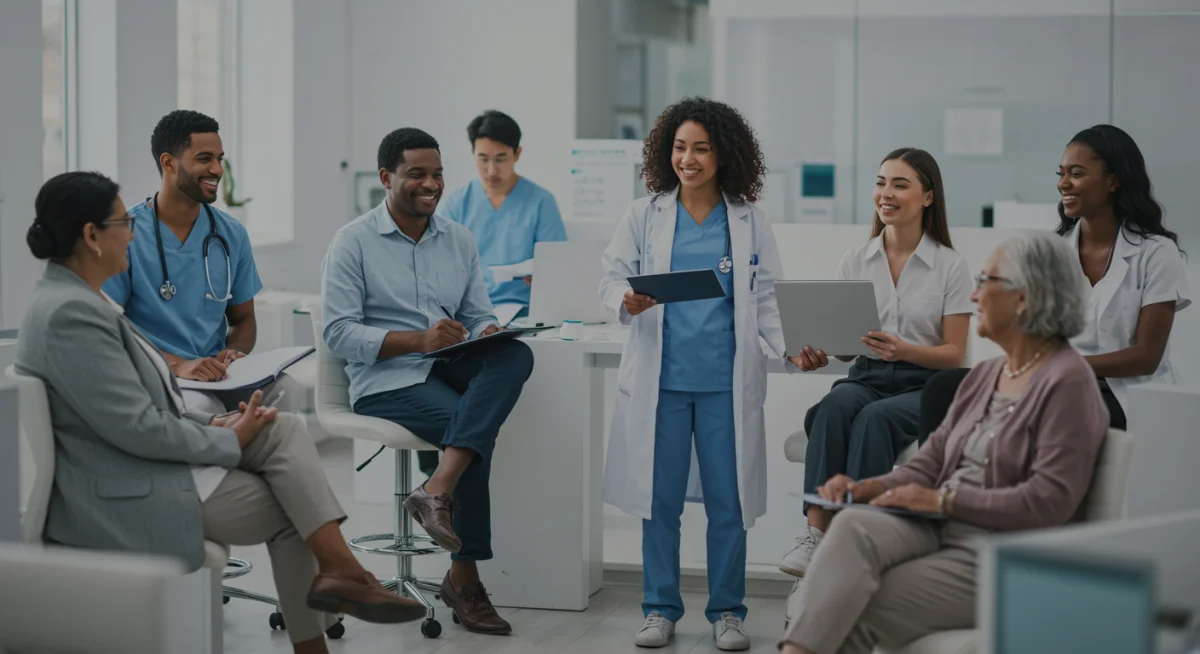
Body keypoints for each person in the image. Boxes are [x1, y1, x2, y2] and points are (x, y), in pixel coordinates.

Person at [17, 172, 427, 654]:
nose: (131, 231)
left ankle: (342, 577)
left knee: (283, 428)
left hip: (145, 466)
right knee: (298, 506)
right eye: (122, 221)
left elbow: (136, 412)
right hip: (125, 492)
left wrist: (214, 423)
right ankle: (338, 588)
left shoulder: (82, 302)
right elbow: (137, 428)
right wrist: (227, 439)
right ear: (91, 235)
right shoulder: (71, 314)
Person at [780, 231, 1109, 653]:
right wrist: (869, 487)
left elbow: (1047, 502)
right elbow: (932, 461)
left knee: (852, 604)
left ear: (1024, 298)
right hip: (943, 528)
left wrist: (940, 503)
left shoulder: (1068, 382)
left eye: (986, 281)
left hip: (1000, 549)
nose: (973, 296)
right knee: (852, 524)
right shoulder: (988, 375)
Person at [600, 97, 800, 651]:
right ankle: (659, 608)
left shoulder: (746, 219)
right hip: (660, 383)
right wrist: (626, 299)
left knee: (727, 502)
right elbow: (611, 277)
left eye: (702, 149)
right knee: (658, 500)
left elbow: (766, 300)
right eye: (680, 147)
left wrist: (792, 349)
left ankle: (728, 612)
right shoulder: (645, 214)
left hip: (723, 383)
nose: (689, 158)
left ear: (724, 155)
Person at [321, 127, 533, 636]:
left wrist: (487, 330)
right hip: (387, 379)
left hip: (447, 363)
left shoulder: (457, 238)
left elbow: (477, 312)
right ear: (386, 178)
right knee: (467, 431)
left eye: (437, 173)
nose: (430, 183)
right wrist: (418, 341)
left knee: (515, 353)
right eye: (417, 174)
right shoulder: (353, 242)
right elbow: (338, 332)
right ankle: (465, 579)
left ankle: (435, 487)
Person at [919, 124, 1190, 437]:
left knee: (1034, 412)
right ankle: (939, 483)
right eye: (1061, 173)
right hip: (1054, 380)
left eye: (1076, 173)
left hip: (1126, 395)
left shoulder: (1156, 252)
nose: (1064, 184)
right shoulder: (1053, 251)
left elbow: (1147, 357)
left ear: (1113, 180)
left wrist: (1061, 366)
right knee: (944, 388)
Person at [779, 148, 974, 579]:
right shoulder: (857, 259)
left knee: (874, 419)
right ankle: (816, 533)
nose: (886, 193)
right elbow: (851, 348)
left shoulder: (950, 266)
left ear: (928, 197)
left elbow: (954, 354)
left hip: (924, 385)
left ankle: (853, 534)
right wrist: (822, 350)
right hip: (867, 375)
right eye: (881, 182)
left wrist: (905, 350)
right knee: (835, 406)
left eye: (900, 184)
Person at [101, 110, 296, 417]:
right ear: (168, 163)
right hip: (155, 371)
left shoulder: (232, 234)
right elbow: (108, 330)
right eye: (205, 158)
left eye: (220, 158)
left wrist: (233, 354)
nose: (217, 169)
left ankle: (261, 465)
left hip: (216, 373)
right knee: (203, 407)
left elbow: (243, 319)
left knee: (284, 391)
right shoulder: (125, 234)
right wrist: (178, 364)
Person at [440, 109, 567, 321]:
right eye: (483, 159)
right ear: (473, 154)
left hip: (524, 313)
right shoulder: (456, 204)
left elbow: (559, 266)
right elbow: (439, 264)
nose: (491, 171)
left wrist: (545, 279)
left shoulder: (541, 202)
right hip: (468, 314)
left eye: (500, 159)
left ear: (517, 154)